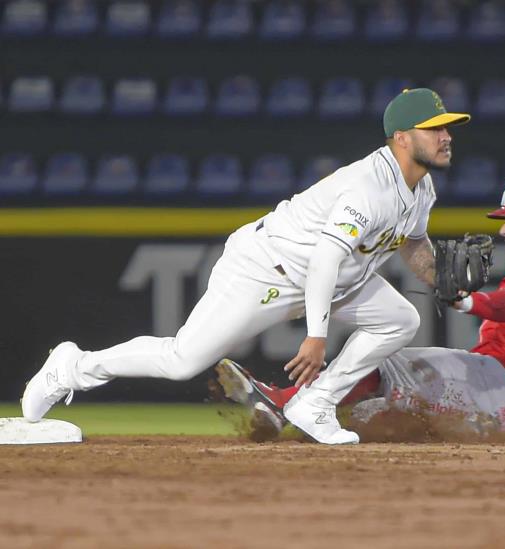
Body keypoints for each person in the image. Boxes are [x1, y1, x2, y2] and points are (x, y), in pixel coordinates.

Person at [21, 88, 471, 445]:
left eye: (447, 127)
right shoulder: (367, 188)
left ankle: (315, 403)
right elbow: (325, 258)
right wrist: (316, 337)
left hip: (337, 282)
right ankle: (73, 366)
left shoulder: (421, 187)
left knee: (399, 319)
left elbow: (412, 244)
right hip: (267, 269)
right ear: (402, 138)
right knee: (182, 360)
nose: (446, 135)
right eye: (435, 129)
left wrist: (443, 281)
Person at [216, 178, 505, 438]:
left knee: (382, 358)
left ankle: (281, 406)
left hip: (504, 388)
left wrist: (472, 300)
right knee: (375, 413)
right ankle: (328, 419)